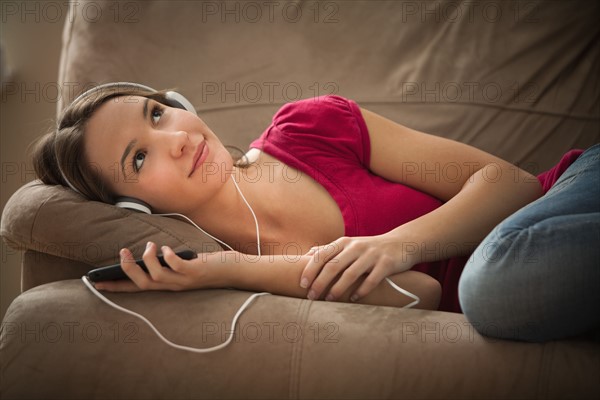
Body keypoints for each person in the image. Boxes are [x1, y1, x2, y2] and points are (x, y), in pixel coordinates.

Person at [32, 84, 599, 341]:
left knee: (488, 289)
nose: (176, 138)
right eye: (139, 156)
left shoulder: (309, 125)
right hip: (543, 296)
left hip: (566, 199)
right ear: (134, 206)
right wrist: (221, 269)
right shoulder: (236, 272)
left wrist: (397, 243)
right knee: (491, 295)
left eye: (157, 115)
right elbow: (419, 296)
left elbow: (512, 183)